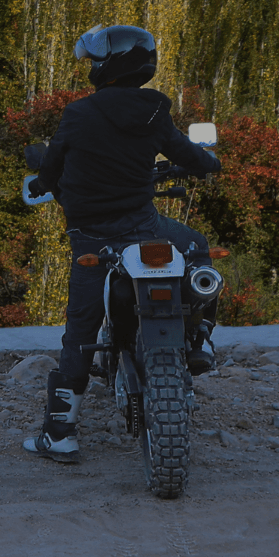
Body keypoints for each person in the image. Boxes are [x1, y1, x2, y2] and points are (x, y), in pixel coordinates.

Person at [22, 24, 221, 464]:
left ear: (108, 66)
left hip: (94, 240)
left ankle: (61, 434)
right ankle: (202, 337)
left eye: (95, 60)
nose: (92, 66)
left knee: (80, 330)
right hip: (147, 230)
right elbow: (190, 156)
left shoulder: (79, 114)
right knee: (197, 246)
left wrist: (40, 181)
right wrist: (211, 161)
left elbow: (52, 171)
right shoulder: (155, 112)